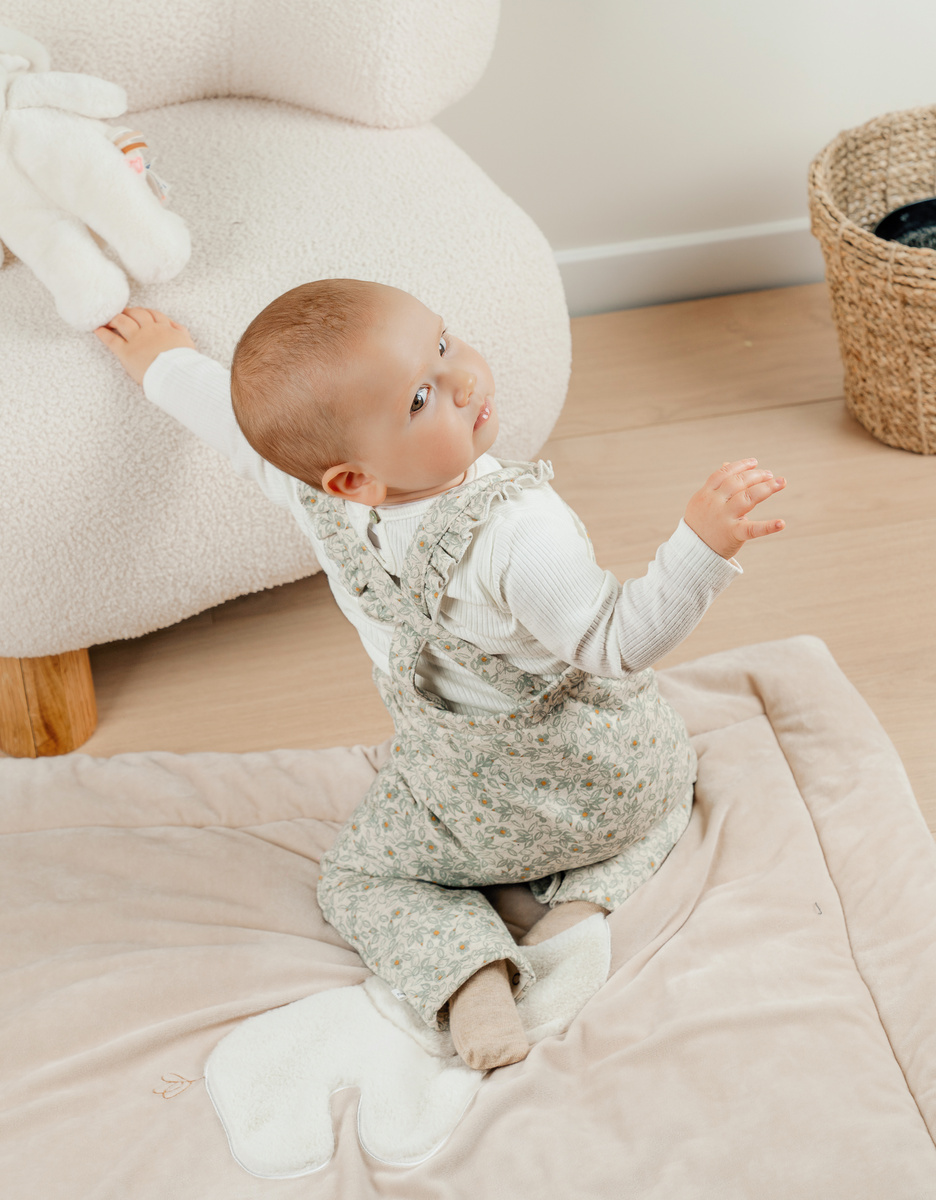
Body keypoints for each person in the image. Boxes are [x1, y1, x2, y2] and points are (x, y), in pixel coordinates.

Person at [94, 279, 787, 1070]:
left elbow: (237, 428)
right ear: (351, 477)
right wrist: (698, 549)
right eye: (424, 397)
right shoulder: (516, 526)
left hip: (474, 803)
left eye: (444, 342)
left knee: (359, 876)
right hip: (621, 779)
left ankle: (466, 971)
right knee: (670, 785)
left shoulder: (316, 495)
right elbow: (614, 641)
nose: (464, 379)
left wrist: (163, 363)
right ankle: (590, 892)